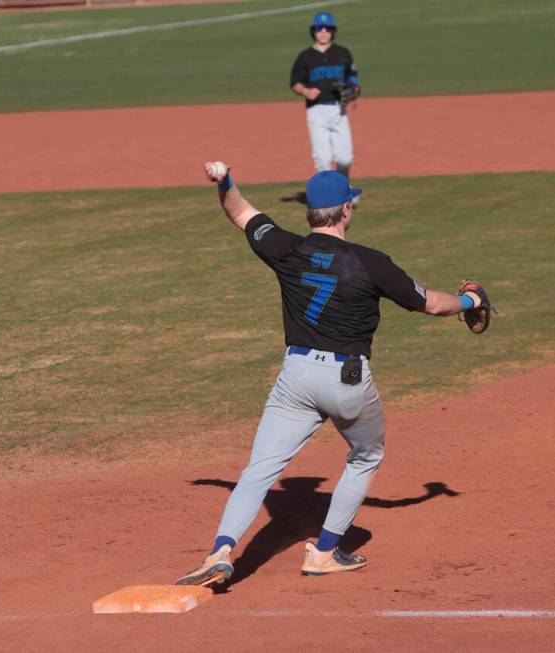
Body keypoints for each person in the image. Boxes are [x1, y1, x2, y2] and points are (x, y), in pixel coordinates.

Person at [175, 165, 486, 585]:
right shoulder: (370, 262)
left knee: (259, 469)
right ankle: (323, 552)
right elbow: (430, 303)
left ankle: (221, 550)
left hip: (295, 377)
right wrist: (469, 301)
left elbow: (239, 211)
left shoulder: (284, 247)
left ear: (309, 211)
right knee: (366, 456)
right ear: (345, 210)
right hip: (346, 381)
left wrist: (225, 178)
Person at [290, 12, 360, 189]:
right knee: (322, 159)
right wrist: (306, 91)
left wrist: (353, 90)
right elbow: (294, 83)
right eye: (319, 29)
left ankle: (344, 188)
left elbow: (354, 80)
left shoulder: (342, 53)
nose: (323, 32)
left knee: (345, 158)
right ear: (313, 31)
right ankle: (330, 196)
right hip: (316, 111)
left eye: (327, 29)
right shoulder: (305, 56)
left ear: (333, 31)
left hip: (338, 109)